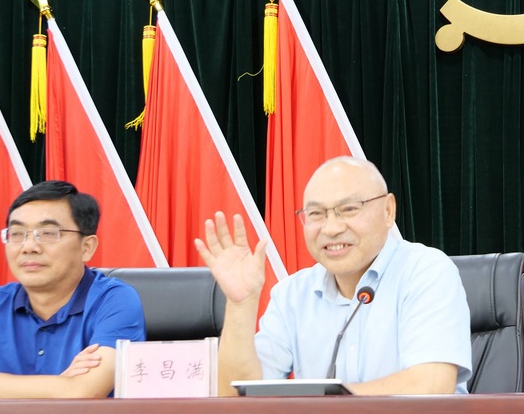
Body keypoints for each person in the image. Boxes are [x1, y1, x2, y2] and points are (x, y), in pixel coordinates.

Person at [195, 157, 472, 396]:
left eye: (349, 209)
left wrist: (321, 404)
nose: (331, 228)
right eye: (316, 214)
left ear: (388, 211)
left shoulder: (425, 272)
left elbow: (431, 385)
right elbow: (235, 395)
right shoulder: (293, 294)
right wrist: (241, 305)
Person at [0, 180, 145, 398]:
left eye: (48, 233)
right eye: (17, 234)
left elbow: (84, 391)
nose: (29, 247)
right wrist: (60, 386)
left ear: (86, 247)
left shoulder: (114, 300)